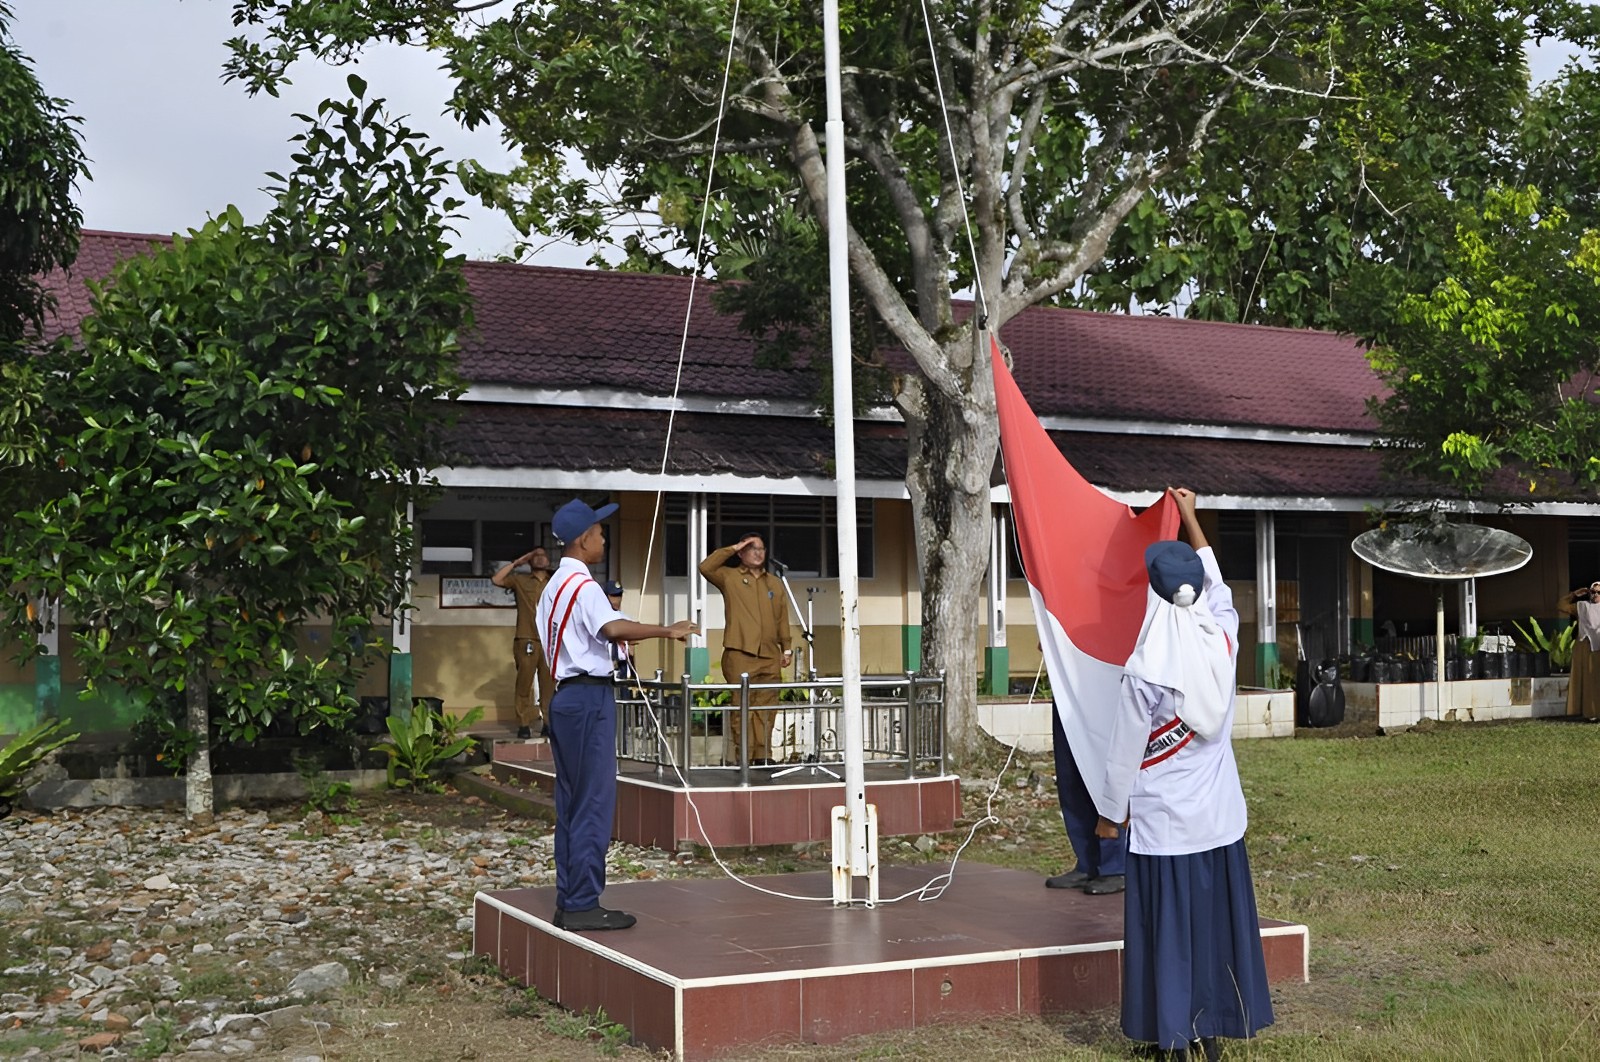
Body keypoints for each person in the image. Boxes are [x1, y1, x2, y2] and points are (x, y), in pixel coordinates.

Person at [1097, 488, 1273, 1060]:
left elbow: (1125, 752)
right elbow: (1217, 581)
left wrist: (1108, 816)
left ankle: (1169, 1035)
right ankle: (1214, 1031)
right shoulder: (1223, 634)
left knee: (1165, 936)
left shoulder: (1147, 667)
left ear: (1154, 592)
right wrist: (1192, 517)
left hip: (1163, 829)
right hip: (1218, 823)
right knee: (1212, 928)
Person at [537, 499, 696, 932]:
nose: (604, 538)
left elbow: (588, 636)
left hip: (565, 697)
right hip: (589, 699)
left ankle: (570, 898)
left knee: (571, 802)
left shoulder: (552, 588)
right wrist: (668, 630)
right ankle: (584, 903)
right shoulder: (585, 586)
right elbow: (609, 629)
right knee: (594, 801)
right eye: (600, 532)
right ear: (583, 538)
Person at [699, 533, 792, 766]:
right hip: (740, 653)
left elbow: (782, 617)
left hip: (770, 654)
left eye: (761, 548)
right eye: (752, 548)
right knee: (742, 708)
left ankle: (763, 756)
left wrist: (787, 647)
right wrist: (734, 546)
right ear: (741, 553)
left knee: (767, 708)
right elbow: (706, 567)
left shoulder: (775, 583)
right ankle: (743, 758)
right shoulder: (729, 577)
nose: (758, 552)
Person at [1045, 699, 1127, 894]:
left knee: (1102, 771)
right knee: (1070, 773)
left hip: (1102, 682)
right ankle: (1088, 861)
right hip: (1068, 683)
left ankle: (1115, 866)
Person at [490, 545, 555, 740]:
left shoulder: (555, 583)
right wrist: (517, 562)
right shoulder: (520, 580)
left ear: (549, 561)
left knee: (549, 684)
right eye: (535, 556)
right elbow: (496, 579)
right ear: (529, 561)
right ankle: (524, 723)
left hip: (549, 641)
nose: (540, 558)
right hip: (526, 637)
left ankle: (548, 723)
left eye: (543, 555)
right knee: (524, 683)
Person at [1558, 581, 1600, 721]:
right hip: (1585, 647)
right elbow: (1561, 605)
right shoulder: (1582, 606)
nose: (1595, 595)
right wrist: (1575, 594)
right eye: (1593, 592)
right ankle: (1591, 713)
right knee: (1588, 680)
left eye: (1598, 592)